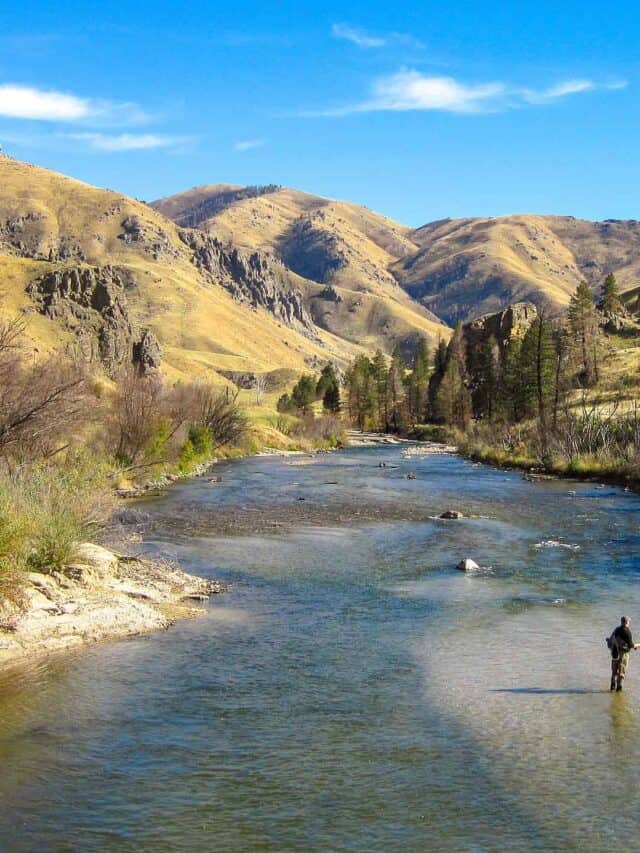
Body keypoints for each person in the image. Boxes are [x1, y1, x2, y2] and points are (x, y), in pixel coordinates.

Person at [607, 616, 639, 692]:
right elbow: (631, 645)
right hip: (623, 654)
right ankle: (618, 690)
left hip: (615, 653)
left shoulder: (616, 629)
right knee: (621, 672)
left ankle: (612, 688)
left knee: (614, 672)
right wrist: (638, 645)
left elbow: (610, 641)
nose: (629, 623)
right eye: (629, 622)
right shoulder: (627, 631)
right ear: (627, 622)